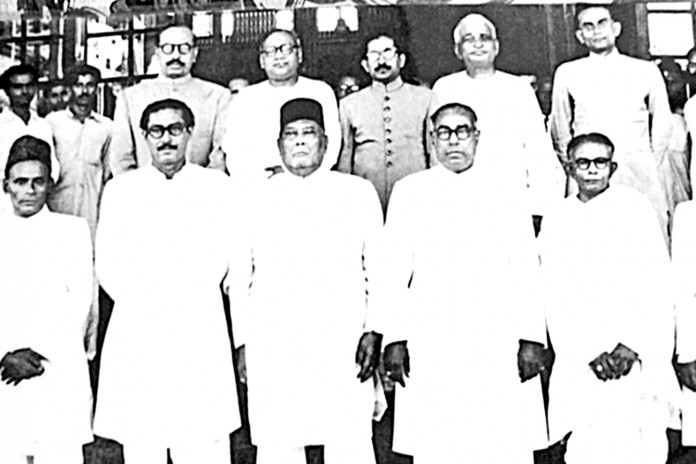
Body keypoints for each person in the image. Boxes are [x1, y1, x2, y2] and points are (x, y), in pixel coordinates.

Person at [380, 102, 548, 463]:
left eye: (462, 131)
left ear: (477, 136)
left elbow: (526, 267)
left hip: (497, 333)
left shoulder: (507, 189)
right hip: (432, 334)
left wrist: (532, 338)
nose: (453, 141)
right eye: (444, 132)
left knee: (501, 440)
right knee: (439, 441)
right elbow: (393, 272)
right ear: (432, 139)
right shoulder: (410, 191)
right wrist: (395, 337)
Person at [226, 98, 383, 464]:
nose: (299, 141)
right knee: (279, 438)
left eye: (309, 133)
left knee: (349, 436)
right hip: (275, 338)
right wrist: (243, 342)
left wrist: (373, 329)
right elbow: (240, 275)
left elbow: (378, 268)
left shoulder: (356, 192)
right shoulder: (254, 197)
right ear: (278, 145)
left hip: (342, 335)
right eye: (291, 134)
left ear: (325, 143)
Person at [93, 99, 240, 464]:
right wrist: (147, 301)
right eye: (156, 131)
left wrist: (188, 295)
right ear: (144, 136)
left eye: (175, 129)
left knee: (203, 439)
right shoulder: (121, 190)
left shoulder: (216, 187)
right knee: (144, 438)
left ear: (190, 133)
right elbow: (108, 262)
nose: (166, 139)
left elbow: (229, 254)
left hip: (199, 322)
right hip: (140, 324)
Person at [539, 133, 678, 464]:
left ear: (612, 167)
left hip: (634, 355)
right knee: (589, 444)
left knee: (642, 441)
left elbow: (656, 283)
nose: (592, 170)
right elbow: (553, 293)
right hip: (582, 357)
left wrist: (633, 345)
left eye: (600, 162)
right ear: (570, 168)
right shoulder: (557, 217)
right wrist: (587, 350)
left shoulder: (635, 207)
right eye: (583, 163)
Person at [0, 135, 94, 464]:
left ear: (50, 185)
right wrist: (6, 353)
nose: (29, 190)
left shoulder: (72, 231)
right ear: (6, 185)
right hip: (4, 370)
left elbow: (80, 303)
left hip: (55, 368)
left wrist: (38, 352)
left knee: (59, 453)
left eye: (38, 182)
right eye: (20, 182)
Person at [431, 13, 562, 232]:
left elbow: (539, 151)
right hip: (460, 200)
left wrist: (539, 208)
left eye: (485, 37)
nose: (478, 44)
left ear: (496, 47)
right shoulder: (444, 88)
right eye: (469, 39)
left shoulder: (518, 88)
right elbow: (437, 150)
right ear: (458, 50)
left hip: (512, 199)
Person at [549, 5, 671, 240]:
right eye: (588, 26)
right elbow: (560, 127)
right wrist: (577, 166)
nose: (596, 31)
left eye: (602, 23)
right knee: (588, 237)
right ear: (580, 36)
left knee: (644, 235)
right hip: (588, 171)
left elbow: (662, 123)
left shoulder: (644, 70)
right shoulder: (568, 73)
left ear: (616, 28)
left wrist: (648, 163)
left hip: (638, 168)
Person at [109, 24, 231, 175]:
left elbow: (219, 156)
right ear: (157, 52)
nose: (176, 56)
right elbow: (121, 158)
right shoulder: (130, 97)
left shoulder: (218, 96)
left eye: (184, 48)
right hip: (143, 188)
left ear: (195, 54)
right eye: (168, 48)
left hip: (200, 188)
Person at [221, 29, 341, 182]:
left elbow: (332, 144)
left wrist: (304, 178)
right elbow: (234, 150)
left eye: (286, 49)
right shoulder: (245, 98)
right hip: (258, 185)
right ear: (262, 61)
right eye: (270, 51)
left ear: (299, 54)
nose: (279, 56)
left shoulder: (320, 91)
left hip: (310, 182)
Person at [337, 33, 432, 216]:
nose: (381, 60)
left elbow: (433, 153)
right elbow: (345, 157)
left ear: (401, 60)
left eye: (387, 52)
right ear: (365, 65)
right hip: (367, 198)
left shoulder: (426, 98)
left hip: (415, 197)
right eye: (374, 54)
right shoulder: (349, 104)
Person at [46, 63, 112, 240]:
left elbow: (107, 173)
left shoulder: (106, 127)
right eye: (78, 85)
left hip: (91, 209)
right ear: (70, 88)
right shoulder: (53, 123)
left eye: (90, 85)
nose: (84, 91)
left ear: (96, 89)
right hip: (58, 205)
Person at [0, 64, 59, 187]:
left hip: (39, 193)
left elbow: (53, 166)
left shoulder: (43, 126)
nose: (24, 92)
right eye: (17, 87)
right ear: (7, 90)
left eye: (29, 85)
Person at [657, 59, 690, 230]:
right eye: (664, 81)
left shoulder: (687, 118)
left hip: (683, 188)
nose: (668, 86)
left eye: (673, 80)